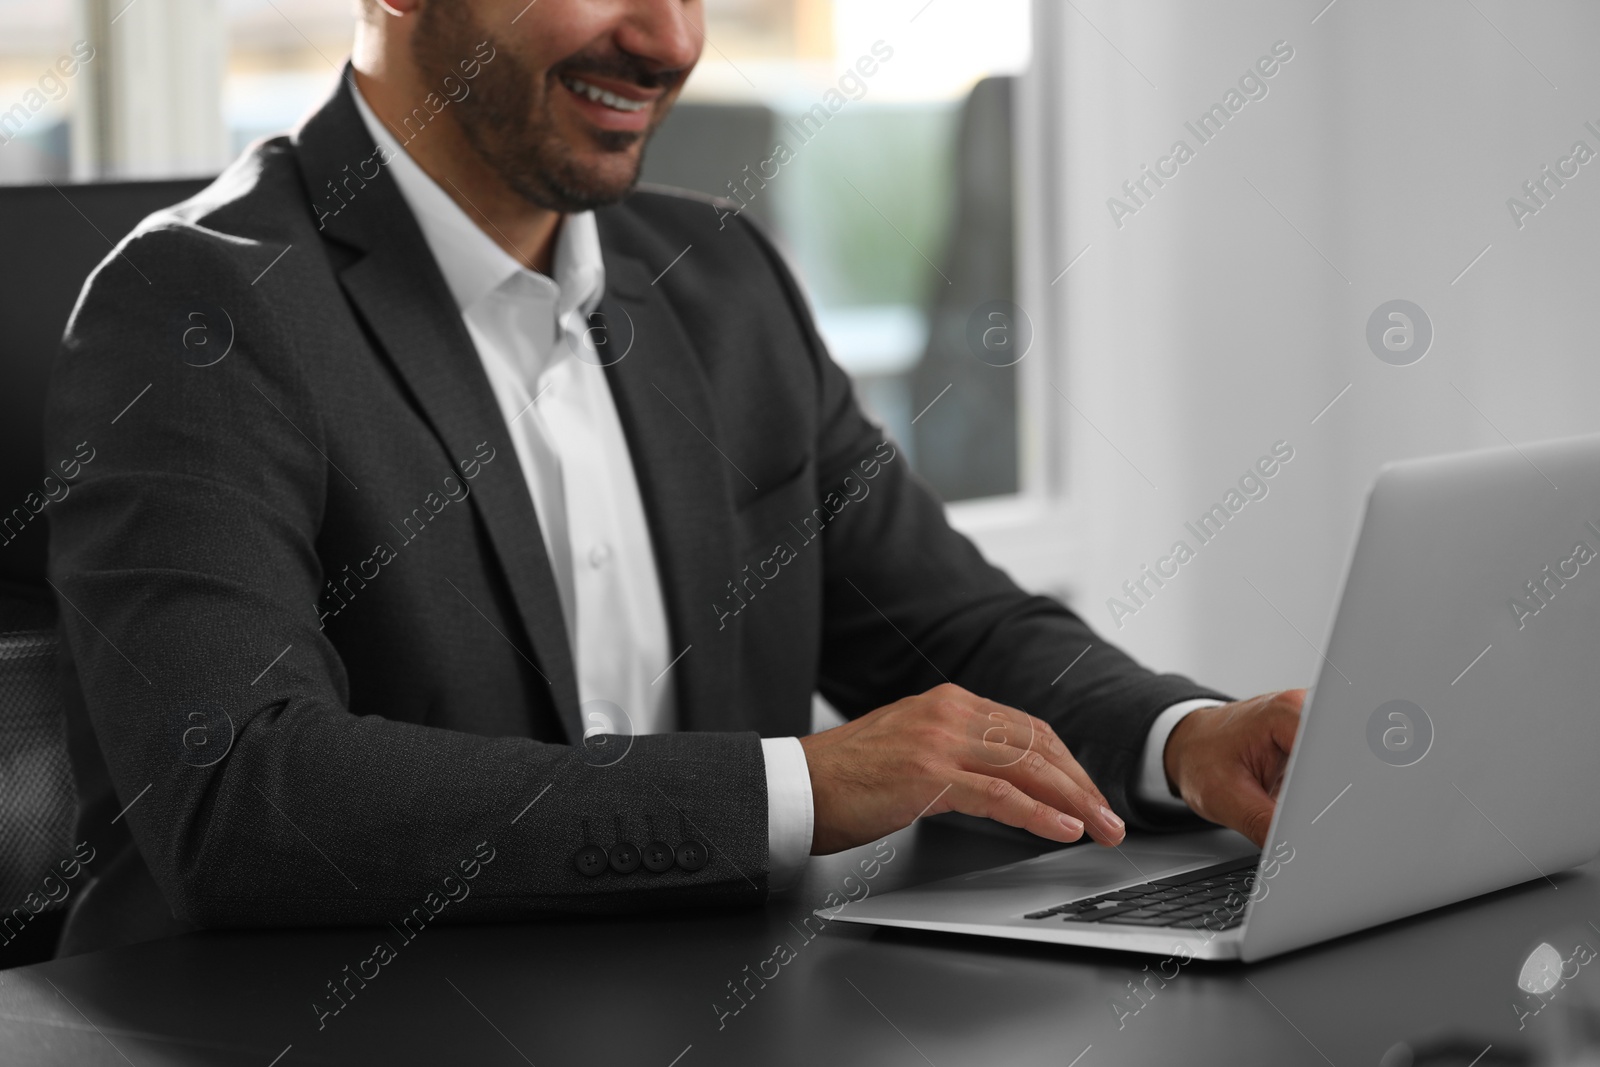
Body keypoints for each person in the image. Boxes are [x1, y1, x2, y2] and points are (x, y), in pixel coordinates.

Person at [44, 0, 1303, 956]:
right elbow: (241, 796)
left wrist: (1187, 737)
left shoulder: (720, 277)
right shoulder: (197, 305)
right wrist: (793, 784)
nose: (670, 37)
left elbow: (942, 625)